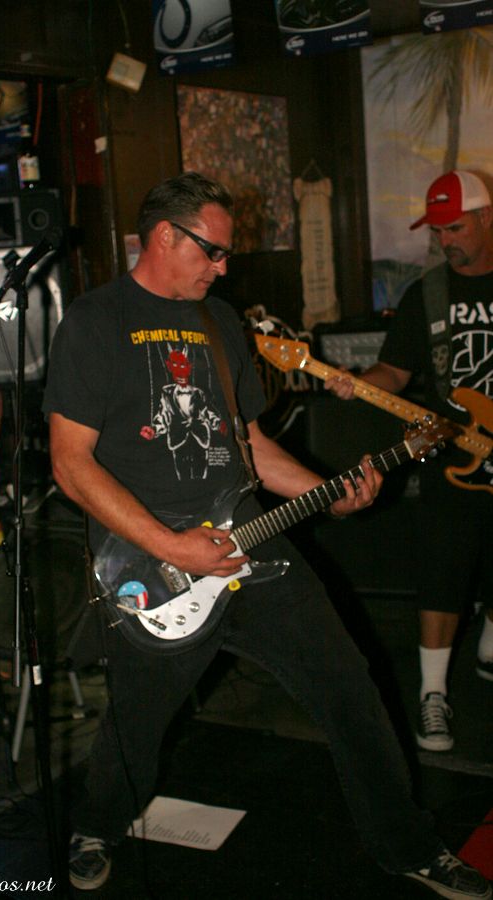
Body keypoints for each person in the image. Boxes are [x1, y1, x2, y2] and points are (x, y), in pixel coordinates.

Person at [43, 172, 491, 898]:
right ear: (166, 236)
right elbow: (70, 464)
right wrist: (170, 546)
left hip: (252, 540)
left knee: (348, 687)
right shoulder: (95, 322)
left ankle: (409, 845)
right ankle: (97, 824)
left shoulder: (219, 321)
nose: (223, 268)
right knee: (137, 719)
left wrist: (327, 492)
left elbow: (248, 445)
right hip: (153, 562)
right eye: (213, 252)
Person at [326, 169, 493, 755]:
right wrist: (356, 383)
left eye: (456, 228)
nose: (445, 241)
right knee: (442, 571)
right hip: (449, 456)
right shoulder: (429, 294)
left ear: (486, 217)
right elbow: (394, 372)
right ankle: (432, 695)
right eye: (438, 231)